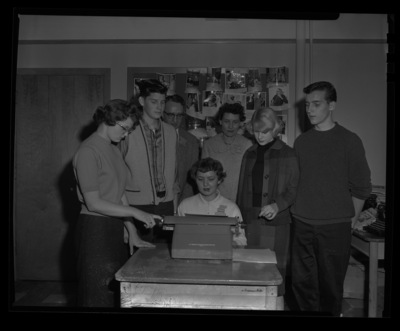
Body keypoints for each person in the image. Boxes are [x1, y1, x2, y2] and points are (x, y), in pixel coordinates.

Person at [290, 81, 372, 316]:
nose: (310, 110)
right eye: (307, 105)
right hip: (302, 224)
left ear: (332, 105)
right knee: (302, 286)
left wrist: (352, 222)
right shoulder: (302, 142)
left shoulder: (349, 140)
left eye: (316, 104)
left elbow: (362, 187)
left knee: (330, 288)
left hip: (335, 227)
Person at [73, 99, 159, 308]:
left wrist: (131, 231)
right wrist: (136, 213)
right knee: (97, 296)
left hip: (113, 228)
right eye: (125, 129)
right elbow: (94, 203)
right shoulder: (88, 151)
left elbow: (119, 194)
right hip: (95, 231)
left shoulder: (113, 149)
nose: (126, 134)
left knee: (115, 296)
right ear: (110, 120)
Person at [237, 107, 299, 308]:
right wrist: (239, 220)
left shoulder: (288, 154)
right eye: (256, 131)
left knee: (275, 277)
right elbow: (242, 188)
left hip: (277, 222)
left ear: (276, 129)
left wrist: (277, 205)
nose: (260, 136)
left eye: (265, 131)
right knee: (250, 275)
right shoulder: (249, 153)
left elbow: (294, 188)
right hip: (251, 220)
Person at [119, 79, 180, 243]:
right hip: (136, 206)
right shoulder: (128, 130)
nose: (159, 107)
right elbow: (116, 179)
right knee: (137, 260)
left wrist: (173, 208)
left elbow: (174, 176)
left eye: (162, 102)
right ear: (141, 101)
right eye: (154, 102)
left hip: (166, 206)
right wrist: (127, 225)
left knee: (164, 259)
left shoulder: (171, 132)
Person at [178, 157, 247, 247]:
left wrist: (224, 244)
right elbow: (179, 238)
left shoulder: (232, 208)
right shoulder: (185, 206)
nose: (205, 184)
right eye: (200, 179)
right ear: (195, 179)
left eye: (211, 179)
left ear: (219, 180)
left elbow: (241, 240)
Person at [201, 102, 253, 202]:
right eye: (226, 121)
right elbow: (204, 177)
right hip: (215, 200)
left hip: (240, 201)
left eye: (235, 122)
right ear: (220, 121)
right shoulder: (209, 145)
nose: (230, 126)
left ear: (241, 123)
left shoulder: (247, 144)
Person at [162, 94, 200, 204]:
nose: (175, 120)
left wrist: (183, 205)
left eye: (179, 116)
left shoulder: (191, 141)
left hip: (181, 201)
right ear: (162, 114)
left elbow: (191, 179)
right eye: (170, 115)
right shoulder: (152, 137)